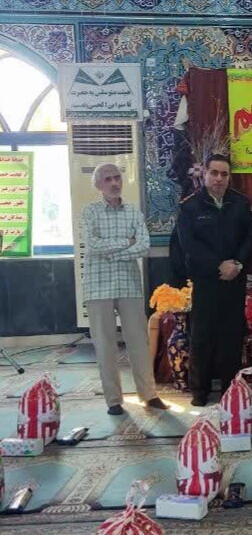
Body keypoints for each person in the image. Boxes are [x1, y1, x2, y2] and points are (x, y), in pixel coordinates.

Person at [82, 163, 167, 415]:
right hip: (97, 286)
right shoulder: (90, 211)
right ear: (98, 185)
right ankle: (114, 400)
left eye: (117, 177)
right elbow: (92, 245)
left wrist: (114, 254)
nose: (114, 183)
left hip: (129, 283)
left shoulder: (133, 212)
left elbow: (143, 245)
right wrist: (125, 243)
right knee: (105, 343)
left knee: (139, 341)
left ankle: (149, 395)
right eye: (108, 179)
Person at [177, 153, 252, 406]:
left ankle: (229, 390)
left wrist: (237, 264)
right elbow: (189, 245)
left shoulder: (241, 203)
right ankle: (199, 392)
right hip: (206, 282)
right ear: (204, 173)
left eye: (224, 174)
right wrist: (217, 266)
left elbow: (251, 236)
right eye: (214, 173)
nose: (219, 179)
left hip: (234, 279)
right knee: (202, 336)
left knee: (231, 337)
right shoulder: (190, 207)